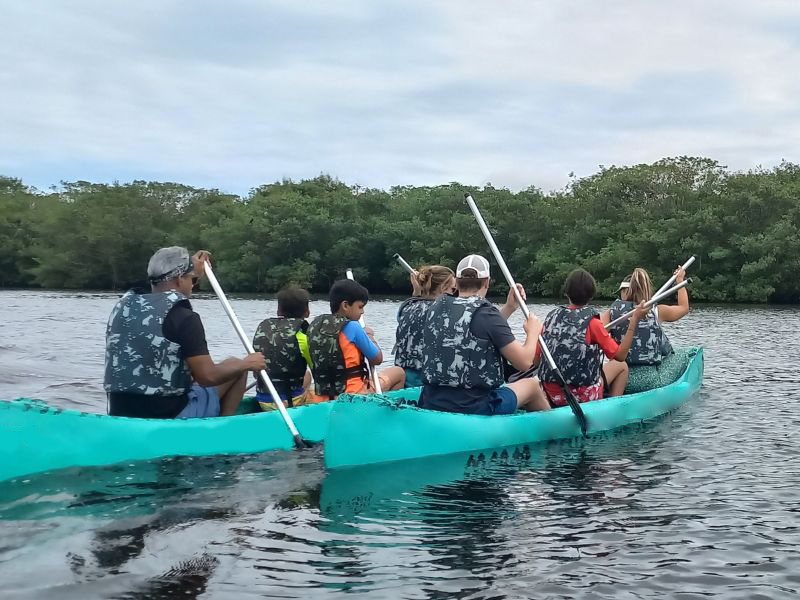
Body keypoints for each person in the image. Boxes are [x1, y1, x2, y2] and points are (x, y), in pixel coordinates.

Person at [104, 246, 266, 419]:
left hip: (120, 410)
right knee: (236, 366)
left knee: (190, 373)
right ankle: (222, 429)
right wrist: (247, 363)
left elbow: (157, 283)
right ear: (180, 279)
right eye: (192, 279)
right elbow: (207, 377)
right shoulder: (184, 317)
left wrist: (192, 268)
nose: (193, 285)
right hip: (168, 414)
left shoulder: (123, 306)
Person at [419, 254, 550, 415]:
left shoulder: (436, 307)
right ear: (487, 281)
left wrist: (509, 307)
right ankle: (556, 431)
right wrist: (533, 332)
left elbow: (475, 327)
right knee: (532, 385)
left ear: (457, 281)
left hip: (431, 401)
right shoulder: (487, 314)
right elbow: (523, 362)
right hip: (476, 406)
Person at [537, 268, 648, 407]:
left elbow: (536, 361)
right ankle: (611, 409)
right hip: (581, 396)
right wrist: (634, 320)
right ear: (591, 296)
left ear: (567, 293)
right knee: (622, 366)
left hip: (550, 394)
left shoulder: (550, 319)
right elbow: (620, 356)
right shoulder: (593, 323)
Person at [307, 278, 405, 399]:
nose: (362, 311)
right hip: (354, 394)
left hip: (323, 395)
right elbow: (377, 359)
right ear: (345, 305)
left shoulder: (315, 326)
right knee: (398, 372)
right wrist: (370, 336)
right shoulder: (352, 326)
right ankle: (383, 412)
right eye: (360, 307)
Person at [601, 266, 691, 392]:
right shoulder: (656, 311)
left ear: (625, 292)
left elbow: (597, 339)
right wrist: (680, 281)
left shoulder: (610, 313)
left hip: (619, 378)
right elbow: (684, 308)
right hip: (651, 380)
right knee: (684, 354)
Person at [252, 286, 314, 411]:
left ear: (278, 311)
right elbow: (317, 369)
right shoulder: (301, 336)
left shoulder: (264, 330)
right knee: (313, 384)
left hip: (263, 399)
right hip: (289, 401)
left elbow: (255, 374)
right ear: (307, 312)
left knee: (307, 375)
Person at [394, 265, 456, 388]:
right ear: (444, 288)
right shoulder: (445, 311)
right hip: (429, 381)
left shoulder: (406, 307)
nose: (454, 294)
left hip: (403, 379)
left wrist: (417, 293)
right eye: (452, 290)